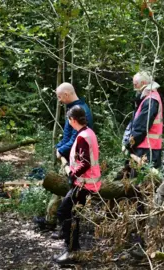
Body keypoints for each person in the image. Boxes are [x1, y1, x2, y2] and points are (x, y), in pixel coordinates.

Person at [36, 83, 93, 237]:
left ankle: (64, 229)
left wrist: (61, 151)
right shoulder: (72, 109)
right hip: (68, 160)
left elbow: (76, 139)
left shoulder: (81, 111)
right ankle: (52, 221)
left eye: (60, 97)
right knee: (60, 193)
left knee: (67, 197)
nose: (59, 100)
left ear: (67, 94)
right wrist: (59, 147)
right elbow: (68, 135)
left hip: (74, 164)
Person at [54, 105, 101, 264]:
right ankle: (74, 249)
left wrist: (72, 173)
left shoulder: (82, 136)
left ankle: (72, 251)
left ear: (73, 120)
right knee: (72, 215)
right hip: (85, 183)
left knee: (63, 212)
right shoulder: (88, 133)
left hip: (83, 185)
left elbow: (86, 163)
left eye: (69, 120)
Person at [123, 71, 164, 169]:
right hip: (148, 147)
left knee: (139, 182)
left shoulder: (150, 100)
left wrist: (129, 145)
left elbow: (141, 127)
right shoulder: (148, 98)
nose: (134, 87)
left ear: (143, 83)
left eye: (135, 84)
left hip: (147, 149)